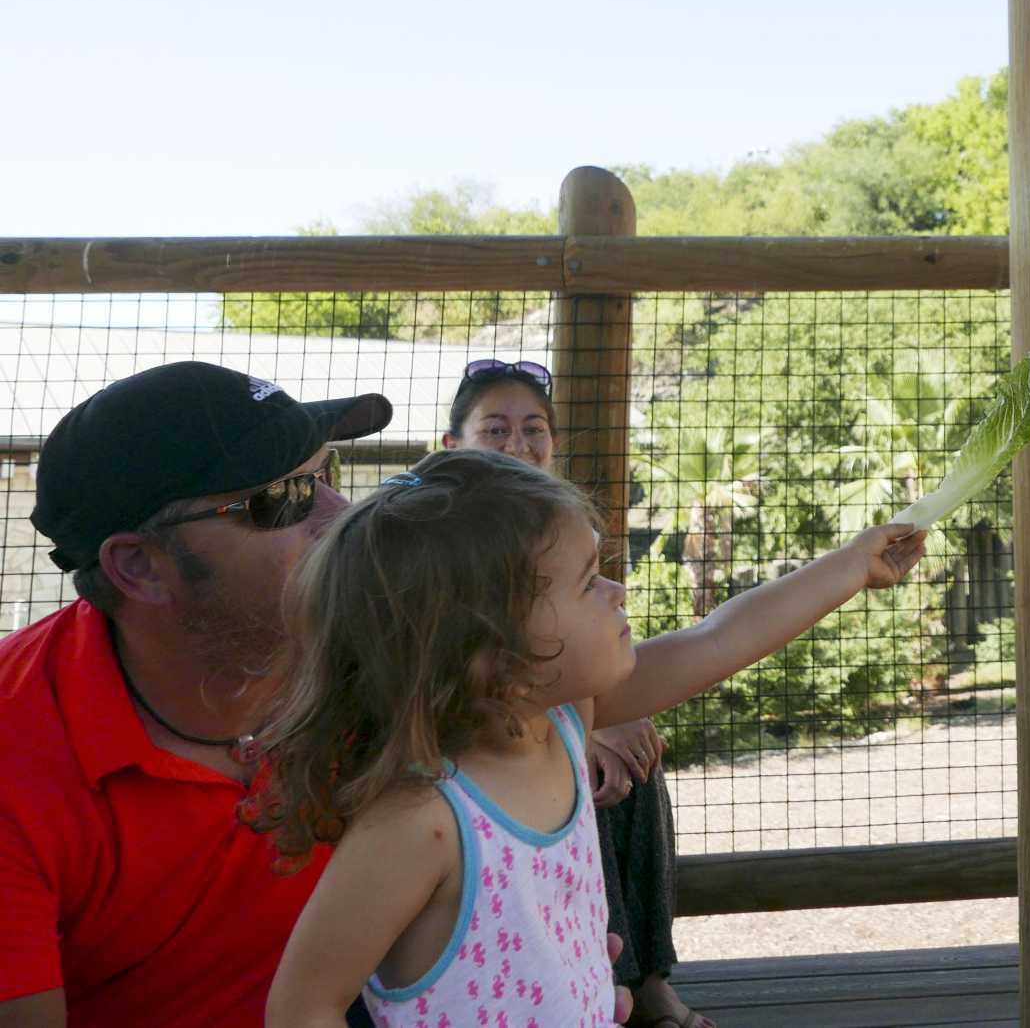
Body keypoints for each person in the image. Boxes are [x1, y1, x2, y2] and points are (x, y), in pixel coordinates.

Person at [255, 448, 926, 1028]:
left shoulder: (566, 722)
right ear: (491, 652)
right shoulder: (422, 822)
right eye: (585, 581)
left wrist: (851, 566)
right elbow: (302, 1004)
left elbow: (718, 637)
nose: (613, 591)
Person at [0, 361, 391, 1028]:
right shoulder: (19, 756)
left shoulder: (357, 640)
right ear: (140, 566)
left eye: (327, 475)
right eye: (284, 499)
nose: (343, 517)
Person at [440, 358, 691, 1028]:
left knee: (638, 761)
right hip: (491, 765)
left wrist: (607, 715)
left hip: (563, 723)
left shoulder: (561, 527)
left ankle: (645, 975)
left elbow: (693, 644)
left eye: (534, 429)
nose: (519, 444)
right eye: (496, 429)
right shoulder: (440, 548)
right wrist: (585, 722)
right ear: (454, 445)